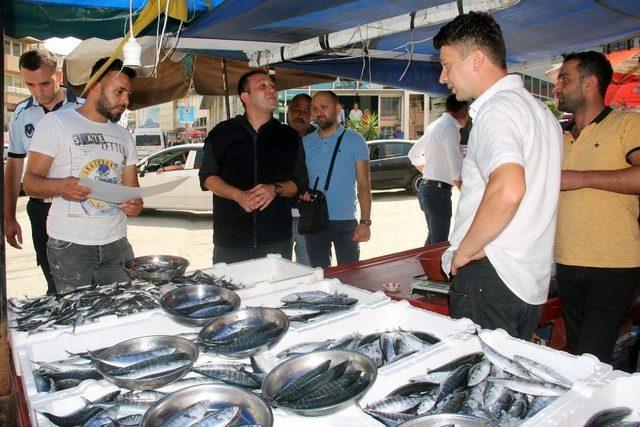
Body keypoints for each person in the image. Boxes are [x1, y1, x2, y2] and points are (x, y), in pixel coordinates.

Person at [434, 12, 563, 340]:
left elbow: (509, 189)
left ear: (476, 59)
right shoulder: (540, 111)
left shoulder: (497, 110)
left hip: (491, 275)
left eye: (447, 65)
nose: (442, 77)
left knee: (479, 381)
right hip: (525, 281)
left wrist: (463, 251)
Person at [22, 58, 143, 293]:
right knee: (77, 319)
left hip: (117, 244)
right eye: (119, 91)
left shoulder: (124, 135)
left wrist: (135, 204)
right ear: (96, 85)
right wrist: (60, 187)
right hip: (70, 247)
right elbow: (30, 183)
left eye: (128, 94)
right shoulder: (56, 123)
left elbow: (133, 191)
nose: (126, 101)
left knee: (121, 314)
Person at [553, 51, 640, 363]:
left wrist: (582, 178)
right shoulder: (557, 134)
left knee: (591, 355)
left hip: (613, 263)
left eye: (565, 78)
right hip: (565, 260)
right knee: (578, 350)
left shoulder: (626, 123)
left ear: (589, 83)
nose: (557, 86)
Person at [199, 70, 308, 264]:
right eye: (263, 86)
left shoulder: (289, 137)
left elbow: (300, 182)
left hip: (276, 240)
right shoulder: (222, 133)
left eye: (273, 87)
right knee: (231, 293)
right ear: (245, 96)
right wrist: (238, 195)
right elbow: (207, 176)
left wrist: (275, 189)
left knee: (274, 294)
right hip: (230, 242)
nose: (271, 91)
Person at [4, 49, 84, 295]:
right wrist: (8, 217)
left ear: (58, 76)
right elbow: (15, 164)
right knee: (52, 277)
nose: (39, 91)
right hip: (40, 208)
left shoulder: (82, 108)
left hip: (77, 206)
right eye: (30, 85)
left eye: (45, 83)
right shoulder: (21, 113)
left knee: (83, 276)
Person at [304, 91, 372, 268]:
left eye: (324, 107)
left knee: (350, 276)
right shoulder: (305, 143)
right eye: (315, 108)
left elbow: (364, 185)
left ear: (338, 108)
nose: (319, 112)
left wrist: (365, 222)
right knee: (319, 275)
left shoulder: (356, 141)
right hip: (314, 219)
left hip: (345, 221)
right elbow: (299, 181)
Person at [408, 95, 468, 245]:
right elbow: (456, 170)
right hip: (438, 193)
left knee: (433, 240)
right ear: (463, 110)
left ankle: (423, 268)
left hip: (426, 189)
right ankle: (429, 268)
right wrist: (468, 196)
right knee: (439, 243)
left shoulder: (436, 124)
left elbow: (413, 154)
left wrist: (432, 172)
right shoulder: (450, 128)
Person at [286, 93, 314, 266]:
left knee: (309, 272)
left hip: (310, 218)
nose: (300, 114)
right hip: (280, 218)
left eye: (306, 111)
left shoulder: (321, 139)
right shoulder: (274, 138)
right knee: (279, 271)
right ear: (288, 111)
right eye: (296, 109)